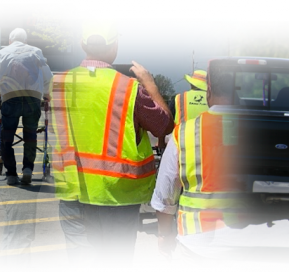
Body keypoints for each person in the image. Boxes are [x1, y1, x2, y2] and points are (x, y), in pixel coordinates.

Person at [49, 22, 172, 261]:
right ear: (114, 46)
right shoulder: (128, 88)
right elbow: (164, 126)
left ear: (83, 45)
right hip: (116, 196)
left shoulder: (59, 84)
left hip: (73, 190)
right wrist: (150, 85)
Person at [151, 71, 243, 259]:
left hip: (195, 241)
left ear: (209, 92)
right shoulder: (260, 130)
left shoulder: (182, 132)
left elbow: (165, 193)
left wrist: (163, 234)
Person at [0, 28, 52, 186]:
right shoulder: (36, 51)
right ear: (25, 40)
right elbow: (47, 75)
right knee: (30, 135)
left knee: (7, 138)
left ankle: (11, 174)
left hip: (10, 97)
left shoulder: (3, 52)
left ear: (10, 41)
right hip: (32, 97)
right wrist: (46, 93)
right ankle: (28, 170)